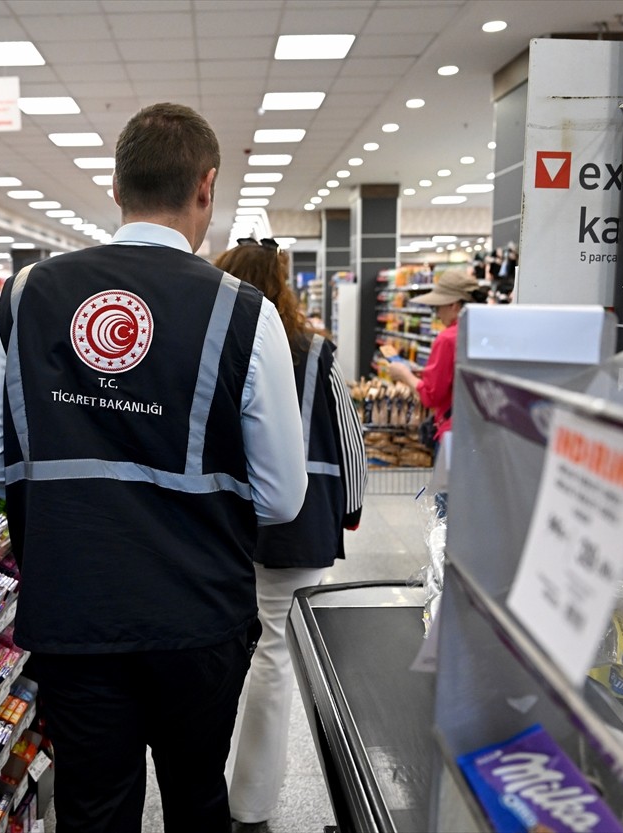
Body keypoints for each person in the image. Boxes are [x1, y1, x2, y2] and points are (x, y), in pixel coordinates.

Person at [0, 102, 308, 833]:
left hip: (74, 611)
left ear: (117, 188)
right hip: (199, 616)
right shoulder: (246, 312)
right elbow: (280, 495)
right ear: (206, 188)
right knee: (195, 792)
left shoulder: (26, 295)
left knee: (94, 803)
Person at [213, 239, 367, 833]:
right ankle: (250, 802)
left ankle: (200, 775)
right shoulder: (315, 351)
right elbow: (347, 436)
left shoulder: (212, 342)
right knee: (273, 652)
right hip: (297, 526)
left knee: (221, 649)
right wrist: (349, 509)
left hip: (219, 527)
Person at [386, 268, 488, 449]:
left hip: (453, 433)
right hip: (482, 430)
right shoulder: (485, 331)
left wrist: (404, 375)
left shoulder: (447, 339)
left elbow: (431, 397)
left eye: (438, 307)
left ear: (454, 305)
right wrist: (427, 373)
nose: (437, 314)